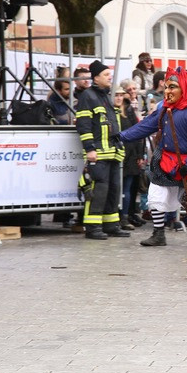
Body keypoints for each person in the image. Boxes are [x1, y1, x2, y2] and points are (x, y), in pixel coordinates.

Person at [119, 67, 187, 247]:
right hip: (165, 159)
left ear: (183, 89)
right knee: (156, 195)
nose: (168, 91)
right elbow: (147, 125)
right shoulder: (164, 108)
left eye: (173, 87)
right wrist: (122, 136)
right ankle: (158, 234)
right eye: (166, 87)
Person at [74, 60, 129, 240]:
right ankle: (92, 227)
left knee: (113, 189)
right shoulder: (87, 96)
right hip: (98, 153)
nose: (109, 77)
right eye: (106, 74)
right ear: (96, 78)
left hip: (112, 152)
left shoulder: (105, 96)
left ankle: (111, 224)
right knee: (98, 189)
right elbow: (84, 125)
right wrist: (89, 149)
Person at [117, 80, 146, 229]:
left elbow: (138, 132)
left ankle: (126, 217)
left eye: (120, 95)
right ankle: (118, 216)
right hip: (118, 154)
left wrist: (140, 155)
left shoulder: (128, 110)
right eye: (116, 95)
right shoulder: (111, 111)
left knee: (128, 188)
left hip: (131, 154)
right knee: (119, 188)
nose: (119, 98)